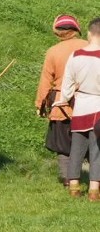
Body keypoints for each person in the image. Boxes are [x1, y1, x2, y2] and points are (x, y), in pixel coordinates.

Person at [35, 15, 88, 188]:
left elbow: (45, 80)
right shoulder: (89, 47)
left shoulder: (53, 51)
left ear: (57, 32)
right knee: (90, 141)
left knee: (63, 144)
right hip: (88, 102)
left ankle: (68, 179)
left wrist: (40, 104)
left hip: (61, 104)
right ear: (76, 30)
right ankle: (93, 180)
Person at [59, 17, 100, 201]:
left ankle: (74, 187)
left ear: (90, 33)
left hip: (81, 105)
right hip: (98, 106)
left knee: (76, 148)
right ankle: (93, 190)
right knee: (97, 150)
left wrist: (64, 99)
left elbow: (67, 85)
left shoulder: (75, 56)